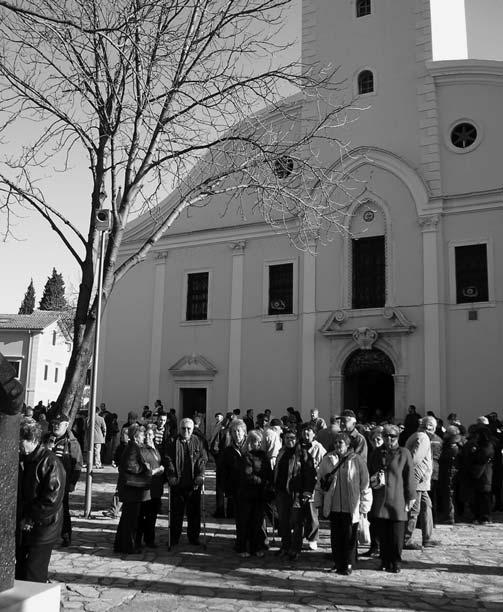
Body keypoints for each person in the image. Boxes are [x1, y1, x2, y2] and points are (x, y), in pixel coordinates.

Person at [16, 418, 66, 583]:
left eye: (20, 441)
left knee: (34, 571)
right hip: (28, 525)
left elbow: (51, 500)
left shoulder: (50, 462)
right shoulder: (25, 459)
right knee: (22, 569)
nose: (17, 445)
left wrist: (30, 517)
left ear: (32, 440)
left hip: (44, 527)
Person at [315, 432, 372, 575]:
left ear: (347, 445)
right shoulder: (327, 459)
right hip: (333, 504)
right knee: (336, 536)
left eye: (340, 442)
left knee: (350, 537)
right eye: (336, 442)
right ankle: (337, 561)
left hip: (350, 505)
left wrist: (364, 505)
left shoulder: (357, 460)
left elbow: (365, 484)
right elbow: (320, 480)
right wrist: (318, 501)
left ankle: (348, 563)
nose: (337, 445)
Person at [368, 424, 416, 573]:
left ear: (397, 437)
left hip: (398, 498)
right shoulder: (376, 453)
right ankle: (384, 560)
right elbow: (370, 471)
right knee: (382, 533)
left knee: (396, 534)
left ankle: (395, 561)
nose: (389, 439)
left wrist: (411, 496)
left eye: (392, 436)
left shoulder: (404, 453)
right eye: (386, 436)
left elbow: (409, 476)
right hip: (380, 498)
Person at [273, 428, 317, 561]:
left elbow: (310, 474)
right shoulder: (282, 453)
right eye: (287, 438)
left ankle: (295, 548)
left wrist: (307, 492)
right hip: (282, 493)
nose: (289, 440)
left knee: (297, 523)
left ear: (297, 439)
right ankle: (285, 546)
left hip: (297, 494)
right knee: (284, 522)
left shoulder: (303, 454)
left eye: (292, 438)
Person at [164, 418, 207, 546]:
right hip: (178, 483)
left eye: (189, 428)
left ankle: (194, 537)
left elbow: (203, 459)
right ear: (179, 428)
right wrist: (171, 475)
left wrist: (200, 475)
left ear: (193, 429)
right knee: (176, 513)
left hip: (193, 483)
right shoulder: (172, 441)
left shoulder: (198, 441)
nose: (186, 431)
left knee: (194, 513)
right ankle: (174, 538)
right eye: (183, 428)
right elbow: (168, 459)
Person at [114, 424, 152, 554]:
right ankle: (128, 546)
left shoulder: (132, 447)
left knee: (127, 518)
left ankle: (121, 545)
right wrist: (144, 467)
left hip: (131, 489)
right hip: (132, 489)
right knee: (130, 520)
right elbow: (131, 466)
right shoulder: (133, 448)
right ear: (136, 436)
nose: (144, 437)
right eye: (142, 435)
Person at [404, 416, 438, 550]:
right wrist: (414, 481)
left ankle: (427, 538)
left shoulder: (419, 436)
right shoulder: (423, 437)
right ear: (431, 427)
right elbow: (415, 459)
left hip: (421, 481)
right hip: (418, 480)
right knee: (414, 509)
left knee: (426, 506)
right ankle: (406, 539)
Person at [50, 413, 83, 546]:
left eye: (59, 424)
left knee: (63, 509)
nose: (55, 426)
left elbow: (78, 464)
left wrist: (72, 482)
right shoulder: (47, 439)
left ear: (66, 425)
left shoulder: (72, 442)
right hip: (46, 482)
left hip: (62, 482)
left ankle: (66, 535)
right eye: (54, 424)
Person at [220, 419, 248, 553]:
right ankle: (240, 542)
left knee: (253, 516)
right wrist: (226, 488)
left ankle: (254, 541)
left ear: (244, 433)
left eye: (239, 431)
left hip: (251, 488)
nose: (237, 434)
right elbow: (223, 471)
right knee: (240, 517)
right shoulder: (228, 451)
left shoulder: (250, 447)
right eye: (234, 432)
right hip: (236, 489)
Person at [459, 424, 495, 524]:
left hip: (484, 474)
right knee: (478, 496)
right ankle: (478, 515)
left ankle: (485, 517)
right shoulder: (479, 445)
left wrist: (474, 453)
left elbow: (482, 457)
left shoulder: (487, 444)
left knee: (484, 496)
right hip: (478, 474)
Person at [136, 424, 165, 548]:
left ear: (154, 436)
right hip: (146, 486)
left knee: (152, 515)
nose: (148, 436)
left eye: (150, 434)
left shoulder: (156, 448)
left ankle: (150, 539)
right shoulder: (141, 449)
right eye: (146, 434)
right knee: (142, 514)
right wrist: (157, 470)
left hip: (156, 486)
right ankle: (138, 539)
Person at [299, 423, 326, 551]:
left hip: (313, 484)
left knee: (311, 512)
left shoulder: (318, 448)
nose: (306, 433)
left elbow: (324, 465)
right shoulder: (298, 446)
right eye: (304, 431)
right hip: (299, 482)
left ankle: (313, 538)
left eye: (309, 431)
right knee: (299, 512)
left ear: (314, 433)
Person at [362, 427, 384, 557]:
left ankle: (379, 545)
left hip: (381, 491)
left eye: (379, 439)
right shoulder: (372, 452)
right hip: (372, 489)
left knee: (379, 518)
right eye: (373, 439)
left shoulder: (384, 453)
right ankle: (374, 546)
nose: (376, 441)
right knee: (373, 518)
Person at [438, 425, 463, 524]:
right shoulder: (452, 444)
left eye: (446, 433)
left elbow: (447, 458)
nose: (444, 434)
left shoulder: (454, 446)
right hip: (449, 471)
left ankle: (450, 516)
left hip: (450, 472)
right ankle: (449, 515)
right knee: (448, 494)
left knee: (449, 494)